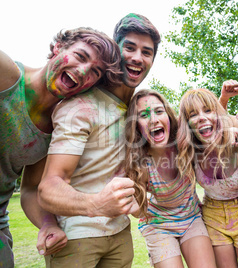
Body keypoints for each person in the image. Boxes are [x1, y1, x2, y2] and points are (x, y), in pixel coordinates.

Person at [37, 13, 160, 267]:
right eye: (129, 47)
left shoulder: (138, 109)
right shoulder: (82, 105)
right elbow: (48, 188)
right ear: (116, 50)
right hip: (77, 239)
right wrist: (96, 204)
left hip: (120, 235)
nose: (138, 57)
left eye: (146, 52)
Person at [0, 27, 121, 267]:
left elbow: (32, 188)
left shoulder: (58, 128)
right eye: (81, 56)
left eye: (95, 71)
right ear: (58, 47)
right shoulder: (7, 76)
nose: (84, 70)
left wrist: (48, 224)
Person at [124, 89, 216, 267]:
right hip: (158, 225)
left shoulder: (184, 142)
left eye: (159, 111)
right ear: (136, 125)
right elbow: (138, 211)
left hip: (191, 218)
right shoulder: (140, 162)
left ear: (169, 116)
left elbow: (215, 123)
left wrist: (237, 127)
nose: (154, 120)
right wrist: (133, 207)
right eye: (144, 115)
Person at [177, 88, 238, 268]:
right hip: (212, 214)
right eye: (193, 114)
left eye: (208, 110)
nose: (201, 117)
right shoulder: (190, 152)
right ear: (187, 123)